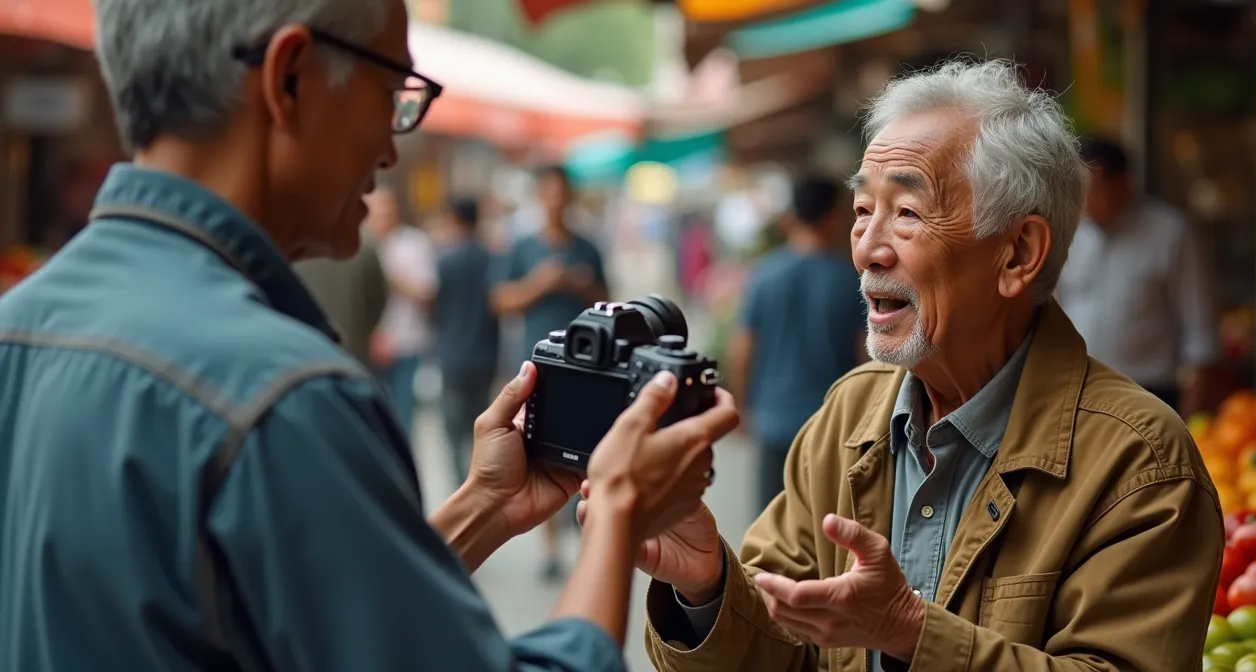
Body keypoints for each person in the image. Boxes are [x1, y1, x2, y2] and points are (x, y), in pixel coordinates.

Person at [0, 1, 740, 670]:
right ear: (289, 78)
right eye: (390, 93)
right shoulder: (284, 394)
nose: (390, 151)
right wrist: (616, 509)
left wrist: (483, 506)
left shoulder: (17, 328)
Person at [604, 59, 1223, 672]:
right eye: (862, 211)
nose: (868, 251)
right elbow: (781, 648)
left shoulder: (1140, 463)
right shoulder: (848, 415)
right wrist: (707, 583)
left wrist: (910, 632)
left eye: (906, 213)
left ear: (1019, 252)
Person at [492, 164, 609, 581]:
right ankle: (550, 547)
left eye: (563, 192)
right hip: (537, 363)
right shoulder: (522, 248)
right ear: (540, 196)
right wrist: (540, 283)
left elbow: (609, 301)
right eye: (550, 192)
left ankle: (588, 534)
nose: (557, 200)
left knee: (592, 452)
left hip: (588, 366)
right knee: (540, 452)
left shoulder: (588, 247)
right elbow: (501, 301)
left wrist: (580, 285)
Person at [728, 172, 868, 514]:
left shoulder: (764, 274)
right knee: (823, 530)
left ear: (794, 216)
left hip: (773, 421)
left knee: (768, 526)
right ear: (833, 216)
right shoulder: (849, 280)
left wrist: (741, 407)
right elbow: (865, 356)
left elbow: (742, 349)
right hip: (829, 425)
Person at [1057, 138, 1221, 415]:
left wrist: (1190, 416)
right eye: (1077, 189)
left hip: (1148, 395)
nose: (1084, 201)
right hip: (1076, 391)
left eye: (1093, 189)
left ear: (1123, 183)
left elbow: (1200, 330)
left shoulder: (1170, 233)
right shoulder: (1069, 232)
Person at [430, 195, 501, 489]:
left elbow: (435, 306)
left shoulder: (445, 261)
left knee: (452, 429)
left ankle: (460, 486)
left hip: (452, 353)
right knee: (479, 425)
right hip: (485, 355)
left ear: (456, 219)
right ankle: (477, 480)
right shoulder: (492, 259)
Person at [366, 184, 435, 439]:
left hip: (407, 343)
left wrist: (394, 280)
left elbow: (427, 295)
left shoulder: (414, 243)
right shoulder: (363, 245)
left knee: (402, 418)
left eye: (387, 208)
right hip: (370, 345)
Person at [294, 225, 388, 365]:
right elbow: (378, 302)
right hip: (352, 354)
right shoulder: (363, 246)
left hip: (301, 358)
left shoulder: (291, 248)